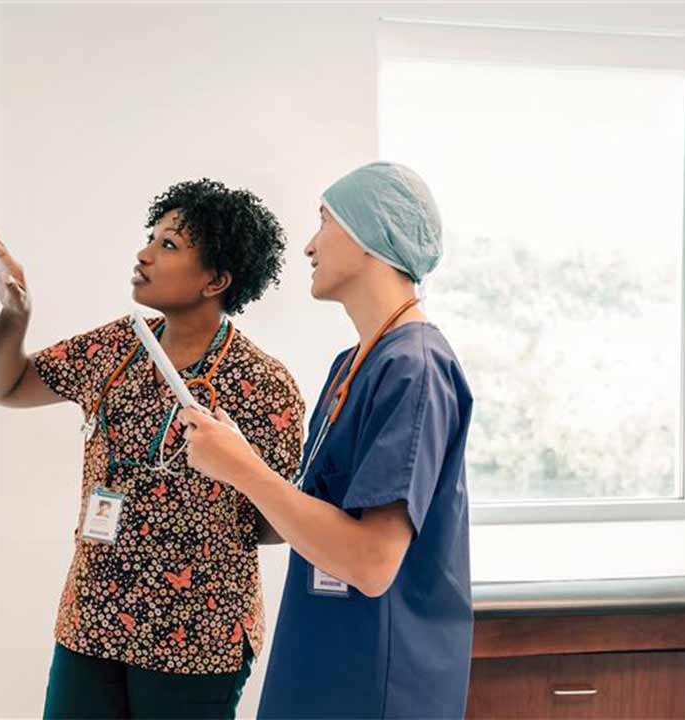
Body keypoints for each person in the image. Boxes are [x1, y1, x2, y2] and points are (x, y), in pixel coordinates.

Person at [0, 179, 306, 719]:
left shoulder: (264, 384)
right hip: (93, 620)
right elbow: (8, 386)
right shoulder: (117, 345)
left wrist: (232, 471)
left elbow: (276, 525)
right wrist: (15, 316)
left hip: (196, 639)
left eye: (170, 246)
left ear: (217, 280)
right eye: (151, 238)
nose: (144, 254)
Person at [180, 162, 475, 719]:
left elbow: (370, 563)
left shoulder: (415, 368)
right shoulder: (353, 364)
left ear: (372, 236)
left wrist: (246, 469)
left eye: (324, 221)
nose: (310, 246)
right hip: (321, 662)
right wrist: (225, 469)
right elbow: (317, 516)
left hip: (376, 681)